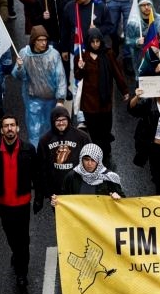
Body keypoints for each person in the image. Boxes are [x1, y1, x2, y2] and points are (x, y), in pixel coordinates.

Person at [51, 143, 124, 294]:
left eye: (93, 160)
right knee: (81, 267)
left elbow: (124, 204)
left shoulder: (110, 179)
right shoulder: (72, 177)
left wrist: (118, 198)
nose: (89, 163)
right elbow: (64, 203)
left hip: (102, 231)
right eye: (86, 159)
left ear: (99, 160)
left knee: (103, 265)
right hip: (78, 231)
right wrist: (56, 204)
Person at [0, 115, 41, 294]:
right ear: (1, 130)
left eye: (12, 125)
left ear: (17, 128)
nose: (9, 129)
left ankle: (21, 275)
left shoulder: (28, 150)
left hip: (23, 204)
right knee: (11, 237)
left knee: (23, 240)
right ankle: (16, 253)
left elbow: (37, 175)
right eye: (6, 126)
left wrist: (39, 198)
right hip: (4, 205)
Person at [74, 28, 130, 166]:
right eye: (92, 42)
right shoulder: (83, 56)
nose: (95, 44)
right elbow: (77, 76)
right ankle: (99, 156)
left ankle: (106, 153)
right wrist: (80, 67)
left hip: (105, 102)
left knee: (105, 130)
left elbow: (117, 72)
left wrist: (125, 90)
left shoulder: (108, 54)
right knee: (94, 132)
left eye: (97, 41)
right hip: (89, 103)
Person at [12, 26, 67, 147]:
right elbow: (18, 75)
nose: (43, 43)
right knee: (34, 129)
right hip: (33, 98)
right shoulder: (24, 54)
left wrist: (60, 99)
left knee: (49, 127)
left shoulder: (53, 54)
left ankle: (49, 153)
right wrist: (20, 67)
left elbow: (60, 77)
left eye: (45, 40)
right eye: (40, 40)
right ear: (33, 41)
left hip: (51, 99)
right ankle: (36, 154)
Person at [37, 106, 91, 202]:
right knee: (60, 216)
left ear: (68, 119)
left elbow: (92, 161)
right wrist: (46, 192)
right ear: (53, 121)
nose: (61, 123)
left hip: (77, 187)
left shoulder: (82, 137)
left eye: (63, 119)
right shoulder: (45, 140)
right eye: (57, 120)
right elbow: (41, 167)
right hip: (56, 189)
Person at [60, 0, 115, 64]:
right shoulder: (69, 7)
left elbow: (109, 26)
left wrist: (97, 30)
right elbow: (65, 29)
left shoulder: (100, 7)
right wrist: (64, 49)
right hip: (76, 50)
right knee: (77, 76)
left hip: (95, 51)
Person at [125, 0, 160, 80]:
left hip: (157, 56)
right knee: (142, 80)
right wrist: (137, 41)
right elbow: (128, 40)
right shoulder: (133, 23)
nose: (146, 7)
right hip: (140, 57)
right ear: (138, 7)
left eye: (148, 4)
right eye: (143, 5)